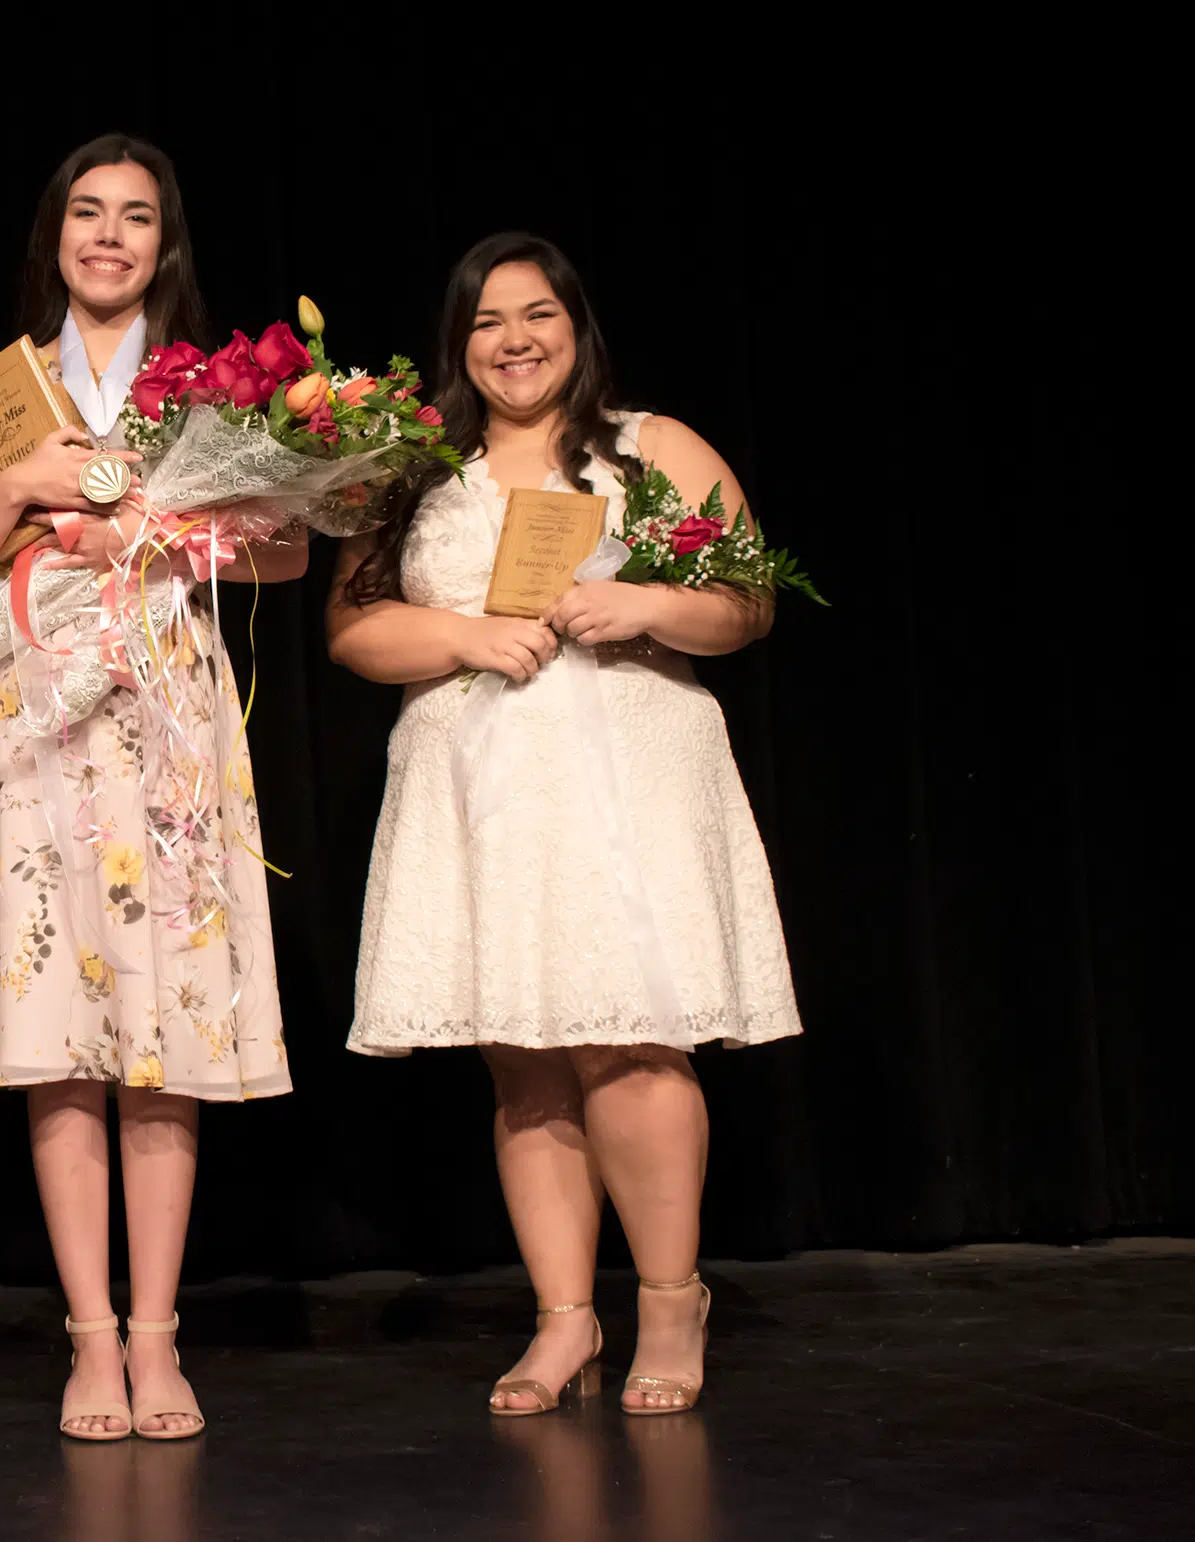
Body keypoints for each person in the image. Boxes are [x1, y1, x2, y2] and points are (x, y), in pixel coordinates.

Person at [327, 232, 801, 1417]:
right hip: (480, 785)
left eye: (538, 315)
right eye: (488, 322)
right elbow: (354, 633)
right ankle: (563, 1318)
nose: (515, 340)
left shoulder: (653, 448)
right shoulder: (415, 474)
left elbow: (748, 604)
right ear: (459, 345)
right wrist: (466, 638)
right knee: (524, 1058)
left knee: (634, 1038)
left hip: (624, 770)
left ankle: (672, 1301)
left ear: (577, 328)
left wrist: (641, 601)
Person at [0, 135, 302, 1441]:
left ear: (164, 244)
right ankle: (87, 1339)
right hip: (30, 724)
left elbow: (289, 549)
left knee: (164, 1033)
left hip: (165, 715)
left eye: (138, 218)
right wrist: (19, 483)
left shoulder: (205, 391)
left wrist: (165, 526)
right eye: (89, 213)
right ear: (55, 234)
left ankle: (157, 1338)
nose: (112, 237)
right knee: (63, 1033)